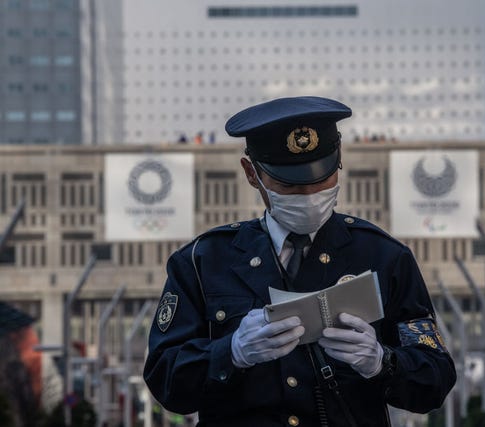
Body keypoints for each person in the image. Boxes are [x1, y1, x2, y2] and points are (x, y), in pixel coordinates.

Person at [143, 96, 456, 426]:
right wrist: (230, 352)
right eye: (290, 185)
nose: (309, 195)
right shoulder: (203, 261)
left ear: (339, 160)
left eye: (322, 179)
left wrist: (383, 362)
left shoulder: (383, 257)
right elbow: (166, 381)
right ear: (252, 173)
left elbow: (435, 381)